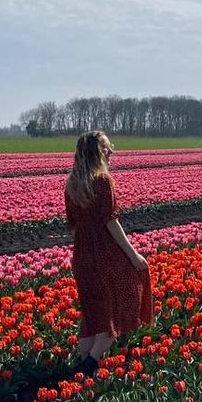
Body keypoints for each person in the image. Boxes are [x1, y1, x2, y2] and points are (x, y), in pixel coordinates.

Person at [64, 130, 152, 376]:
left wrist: (84, 251)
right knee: (119, 305)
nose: (111, 151)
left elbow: (73, 225)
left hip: (82, 256)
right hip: (106, 254)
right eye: (106, 147)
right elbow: (111, 222)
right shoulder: (103, 181)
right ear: (96, 153)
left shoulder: (71, 185)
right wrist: (133, 255)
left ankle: (82, 365)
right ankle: (90, 363)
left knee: (92, 311)